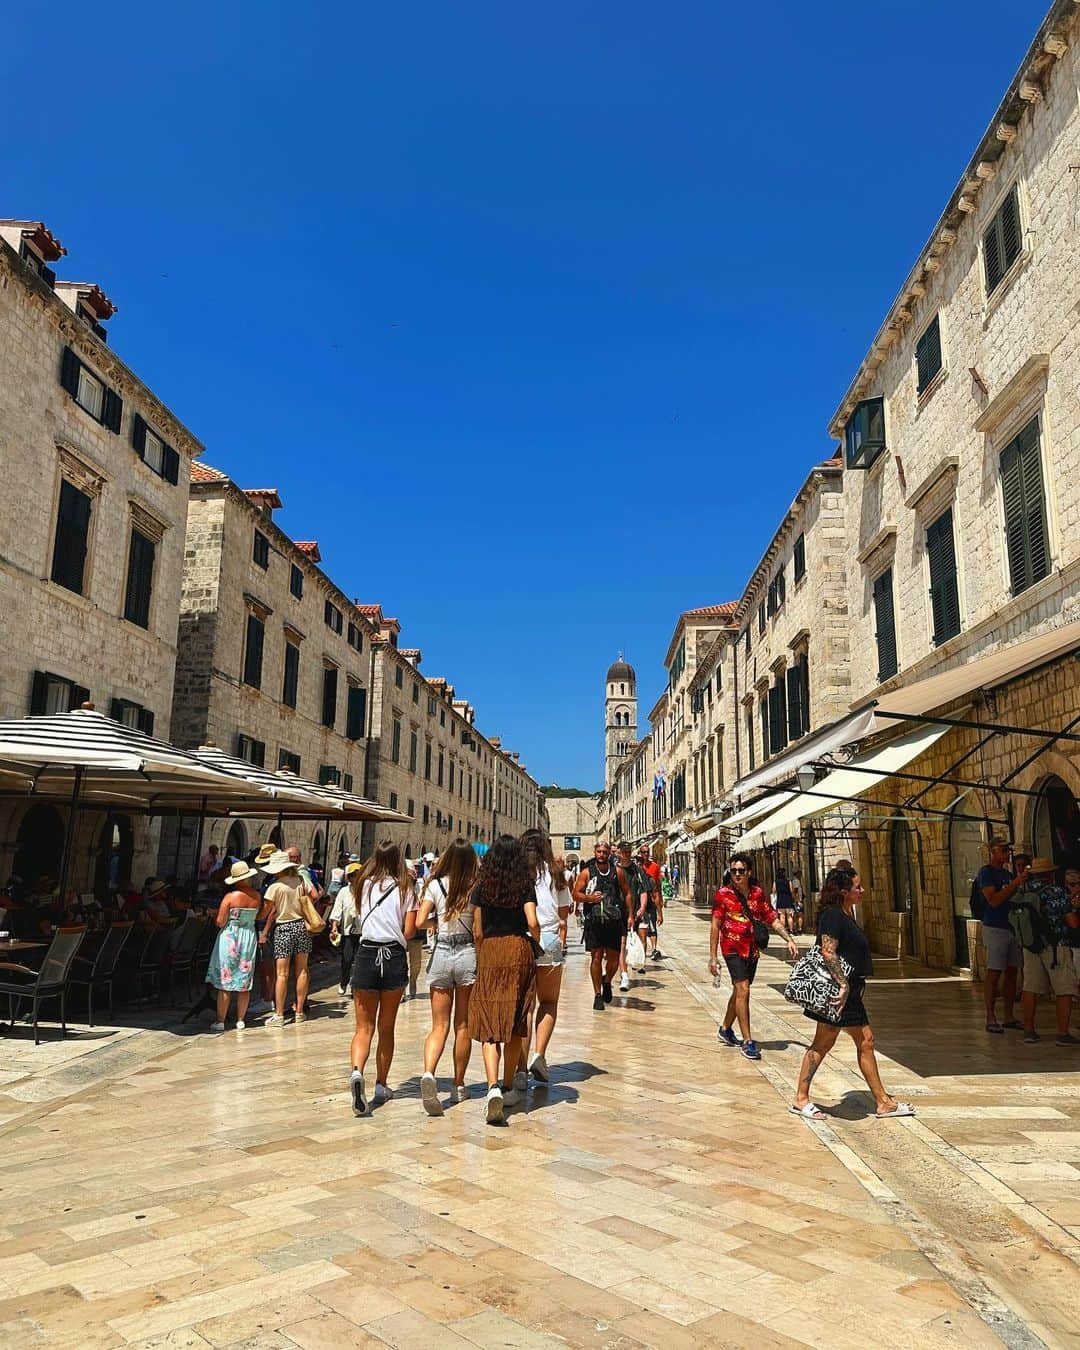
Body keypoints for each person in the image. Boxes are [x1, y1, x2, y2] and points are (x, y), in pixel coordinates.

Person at [791, 868, 914, 1120]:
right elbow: (828, 951)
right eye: (857, 887)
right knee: (827, 1043)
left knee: (863, 1041)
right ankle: (801, 1098)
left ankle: (882, 1101)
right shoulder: (833, 916)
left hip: (850, 991)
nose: (862, 891)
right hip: (840, 992)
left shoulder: (846, 913)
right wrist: (843, 984)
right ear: (844, 891)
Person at [468, 834, 540, 1124]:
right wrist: (535, 940)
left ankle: (491, 1085)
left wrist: (482, 954)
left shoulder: (482, 886)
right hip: (518, 949)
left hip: (491, 950)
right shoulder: (524, 884)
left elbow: (477, 929)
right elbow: (533, 922)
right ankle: (509, 1086)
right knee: (515, 1021)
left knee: (489, 1020)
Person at [348, 841, 418, 1115]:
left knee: (363, 1028)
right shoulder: (405, 888)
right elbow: (410, 931)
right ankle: (381, 1084)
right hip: (393, 955)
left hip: (366, 953)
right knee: (386, 1027)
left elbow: (360, 916)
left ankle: (356, 1072)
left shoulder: (361, 886)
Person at [709, 852, 797, 1060]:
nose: (737, 875)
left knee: (739, 992)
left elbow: (772, 918)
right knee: (744, 989)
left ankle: (725, 1029)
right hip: (731, 947)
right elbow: (715, 925)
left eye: (741, 871)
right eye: (733, 871)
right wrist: (713, 957)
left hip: (752, 949)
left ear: (748, 872)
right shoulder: (723, 894)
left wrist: (788, 938)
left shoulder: (757, 894)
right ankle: (748, 1041)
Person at [416, 839, 479, 1115]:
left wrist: (436, 924)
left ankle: (429, 1073)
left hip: (441, 950)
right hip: (467, 952)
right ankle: (458, 1084)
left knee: (438, 1025)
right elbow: (478, 928)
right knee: (462, 1025)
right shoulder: (476, 886)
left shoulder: (434, 884)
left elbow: (419, 923)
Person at [521, 828, 571, 1083]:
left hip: (522, 939)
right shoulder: (555, 872)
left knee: (524, 1008)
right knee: (548, 1002)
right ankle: (538, 1054)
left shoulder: (517, 872)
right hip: (549, 938)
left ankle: (519, 1068)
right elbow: (564, 910)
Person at [1012, 856, 1078, 1046]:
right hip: (1056, 946)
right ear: (1050, 874)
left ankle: (1029, 1030)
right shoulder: (1057, 892)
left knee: (1030, 988)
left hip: (1031, 946)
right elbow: (1072, 922)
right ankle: (1063, 1033)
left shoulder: (1024, 890)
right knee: (1064, 989)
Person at [572, 841, 632, 1011]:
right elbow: (576, 893)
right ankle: (597, 995)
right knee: (596, 957)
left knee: (614, 960)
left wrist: (631, 915)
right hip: (595, 921)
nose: (601, 854)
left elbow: (627, 892)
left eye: (604, 852)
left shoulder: (617, 872)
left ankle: (607, 981)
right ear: (595, 852)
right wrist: (589, 898)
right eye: (599, 851)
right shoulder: (587, 873)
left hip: (614, 921)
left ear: (609, 854)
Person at [977, 837, 1027, 1033]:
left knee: (1012, 971)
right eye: (1004, 850)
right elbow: (994, 900)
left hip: (1012, 927)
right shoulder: (986, 874)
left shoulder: (1007, 874)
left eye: (1009, 849)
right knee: (994, 971)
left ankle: (1008, 1016)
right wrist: (1015, 883)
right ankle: (990, 1016)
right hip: (995, 927)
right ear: (993, 851)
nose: (1008, 853)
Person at [206, 861, 262, 1032]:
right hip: (248, 936)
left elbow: (220, 921)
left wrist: (214, 915)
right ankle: (240, 1020)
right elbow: (257, 916)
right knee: (244, 979)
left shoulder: (230, 897)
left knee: (226, 979)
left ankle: (221, 1021)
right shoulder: (257, 897)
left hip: (231, 937)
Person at [263, 851, 316, 1027]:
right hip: (302, 926)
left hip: (284, 928)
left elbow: (266, 911)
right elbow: (314, 896)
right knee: (302, 970)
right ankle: (300, 1011)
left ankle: (279, 1015)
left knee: (282, 974)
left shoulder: (275, 887)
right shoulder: (301, 881)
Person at [615, 842, 650, 986]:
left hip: (633, 913)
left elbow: (643, 890)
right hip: (617, 913)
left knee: (630, 942)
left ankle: (626, 969)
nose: (627, 854)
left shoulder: (637, 871)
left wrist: (642, 907)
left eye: (629, 851)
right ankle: (624, 975)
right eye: (624, 852)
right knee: (621, 944)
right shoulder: (613, 870)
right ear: (619, 853)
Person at [329, 861, 364, 996]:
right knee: (347, 958)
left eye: (358, 875)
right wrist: (334, 926)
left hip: (363, 931)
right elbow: (337, 909)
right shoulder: (344, 892)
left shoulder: (366, 891)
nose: (356, 878)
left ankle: (355, 984)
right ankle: (344, 981)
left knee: (360, 959)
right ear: (349, 878)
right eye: (353, 875)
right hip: (348, 931)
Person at [637, 847, 664, 959]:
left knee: (652, 926)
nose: (646, 854)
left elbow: (657, 886)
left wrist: (660, 911)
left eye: (647, 852)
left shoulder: (654, 867)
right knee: (640, 927)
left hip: (651, 901)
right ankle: (641, 950)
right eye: (643, 852)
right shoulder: (634, 870)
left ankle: (653, 949)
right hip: (637, 904)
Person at [773, 869, 795, 934]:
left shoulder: (776, 882)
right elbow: (791, 890)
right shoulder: (788, 881)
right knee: (789, 916)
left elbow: (774, 891)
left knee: (782, 916)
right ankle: (791, 930)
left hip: (780, 900)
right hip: (788, 899)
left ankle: (783, 930)